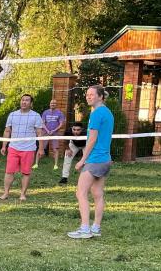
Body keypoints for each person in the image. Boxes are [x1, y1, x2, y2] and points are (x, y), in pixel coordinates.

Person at [67, 85, 114, 239]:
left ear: (100, 96)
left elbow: (92, 140)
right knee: (98, 194)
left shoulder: (96, 114)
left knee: (80, 192)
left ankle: (85, 228)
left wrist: (82, 160)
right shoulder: (108, 112)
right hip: (105, 159)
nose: (88, 97)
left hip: (95, 160)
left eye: (92, 94)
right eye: (87, 94)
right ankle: (96, 228)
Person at [0, 94, 46, 201]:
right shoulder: (12, 115)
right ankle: (6, 193)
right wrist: (4, 146)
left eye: (27, 100)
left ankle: (23, 194)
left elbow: (39, 133)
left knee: (26, 172)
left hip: (29, 149)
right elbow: (7, 131)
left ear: (31, 103)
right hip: (13, 148)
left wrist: (41, 148)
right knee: (9, 171)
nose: (24, 102)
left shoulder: (36, 116)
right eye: (23, 100)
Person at [37, 98, 66, 170]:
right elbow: (42, 123)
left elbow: (61, 124)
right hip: (45, 132)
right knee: (41, 147)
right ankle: (36, 163)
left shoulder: (60, 113)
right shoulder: (45, 112)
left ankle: (55, 165)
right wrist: (47, 130)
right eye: (51, 103)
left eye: (54, 103)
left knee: (55, 149)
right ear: (49, 104)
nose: (52, 104)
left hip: (55, 132)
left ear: (56, 105)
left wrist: (53, 130)